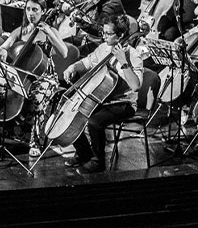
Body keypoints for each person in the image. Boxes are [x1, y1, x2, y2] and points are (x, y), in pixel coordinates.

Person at [60, 15, 143, 172]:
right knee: (76, 114)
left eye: (108, 33)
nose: (104, 36)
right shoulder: (104, 48)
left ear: (121, 35)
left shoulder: (133, 55)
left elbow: (136, 85)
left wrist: (123, 62)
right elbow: (87, 61)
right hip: (103, 99)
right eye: (104, 32)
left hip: (123, 103)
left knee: (94, 122)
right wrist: (72, 67)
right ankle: (84, 154)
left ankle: (98, 162)